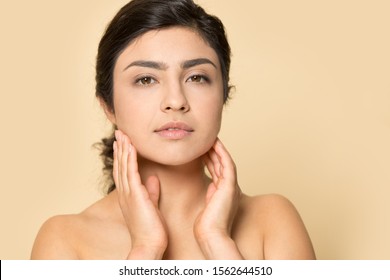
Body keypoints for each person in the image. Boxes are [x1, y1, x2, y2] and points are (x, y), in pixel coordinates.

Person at [31, 0, 315, 260]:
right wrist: (146, 248)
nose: (176, 101)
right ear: (108, 105)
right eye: (145, 80)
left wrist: (218, 242)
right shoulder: (65, 241)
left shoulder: (273, 221)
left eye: (196, 77)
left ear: (223, 95)